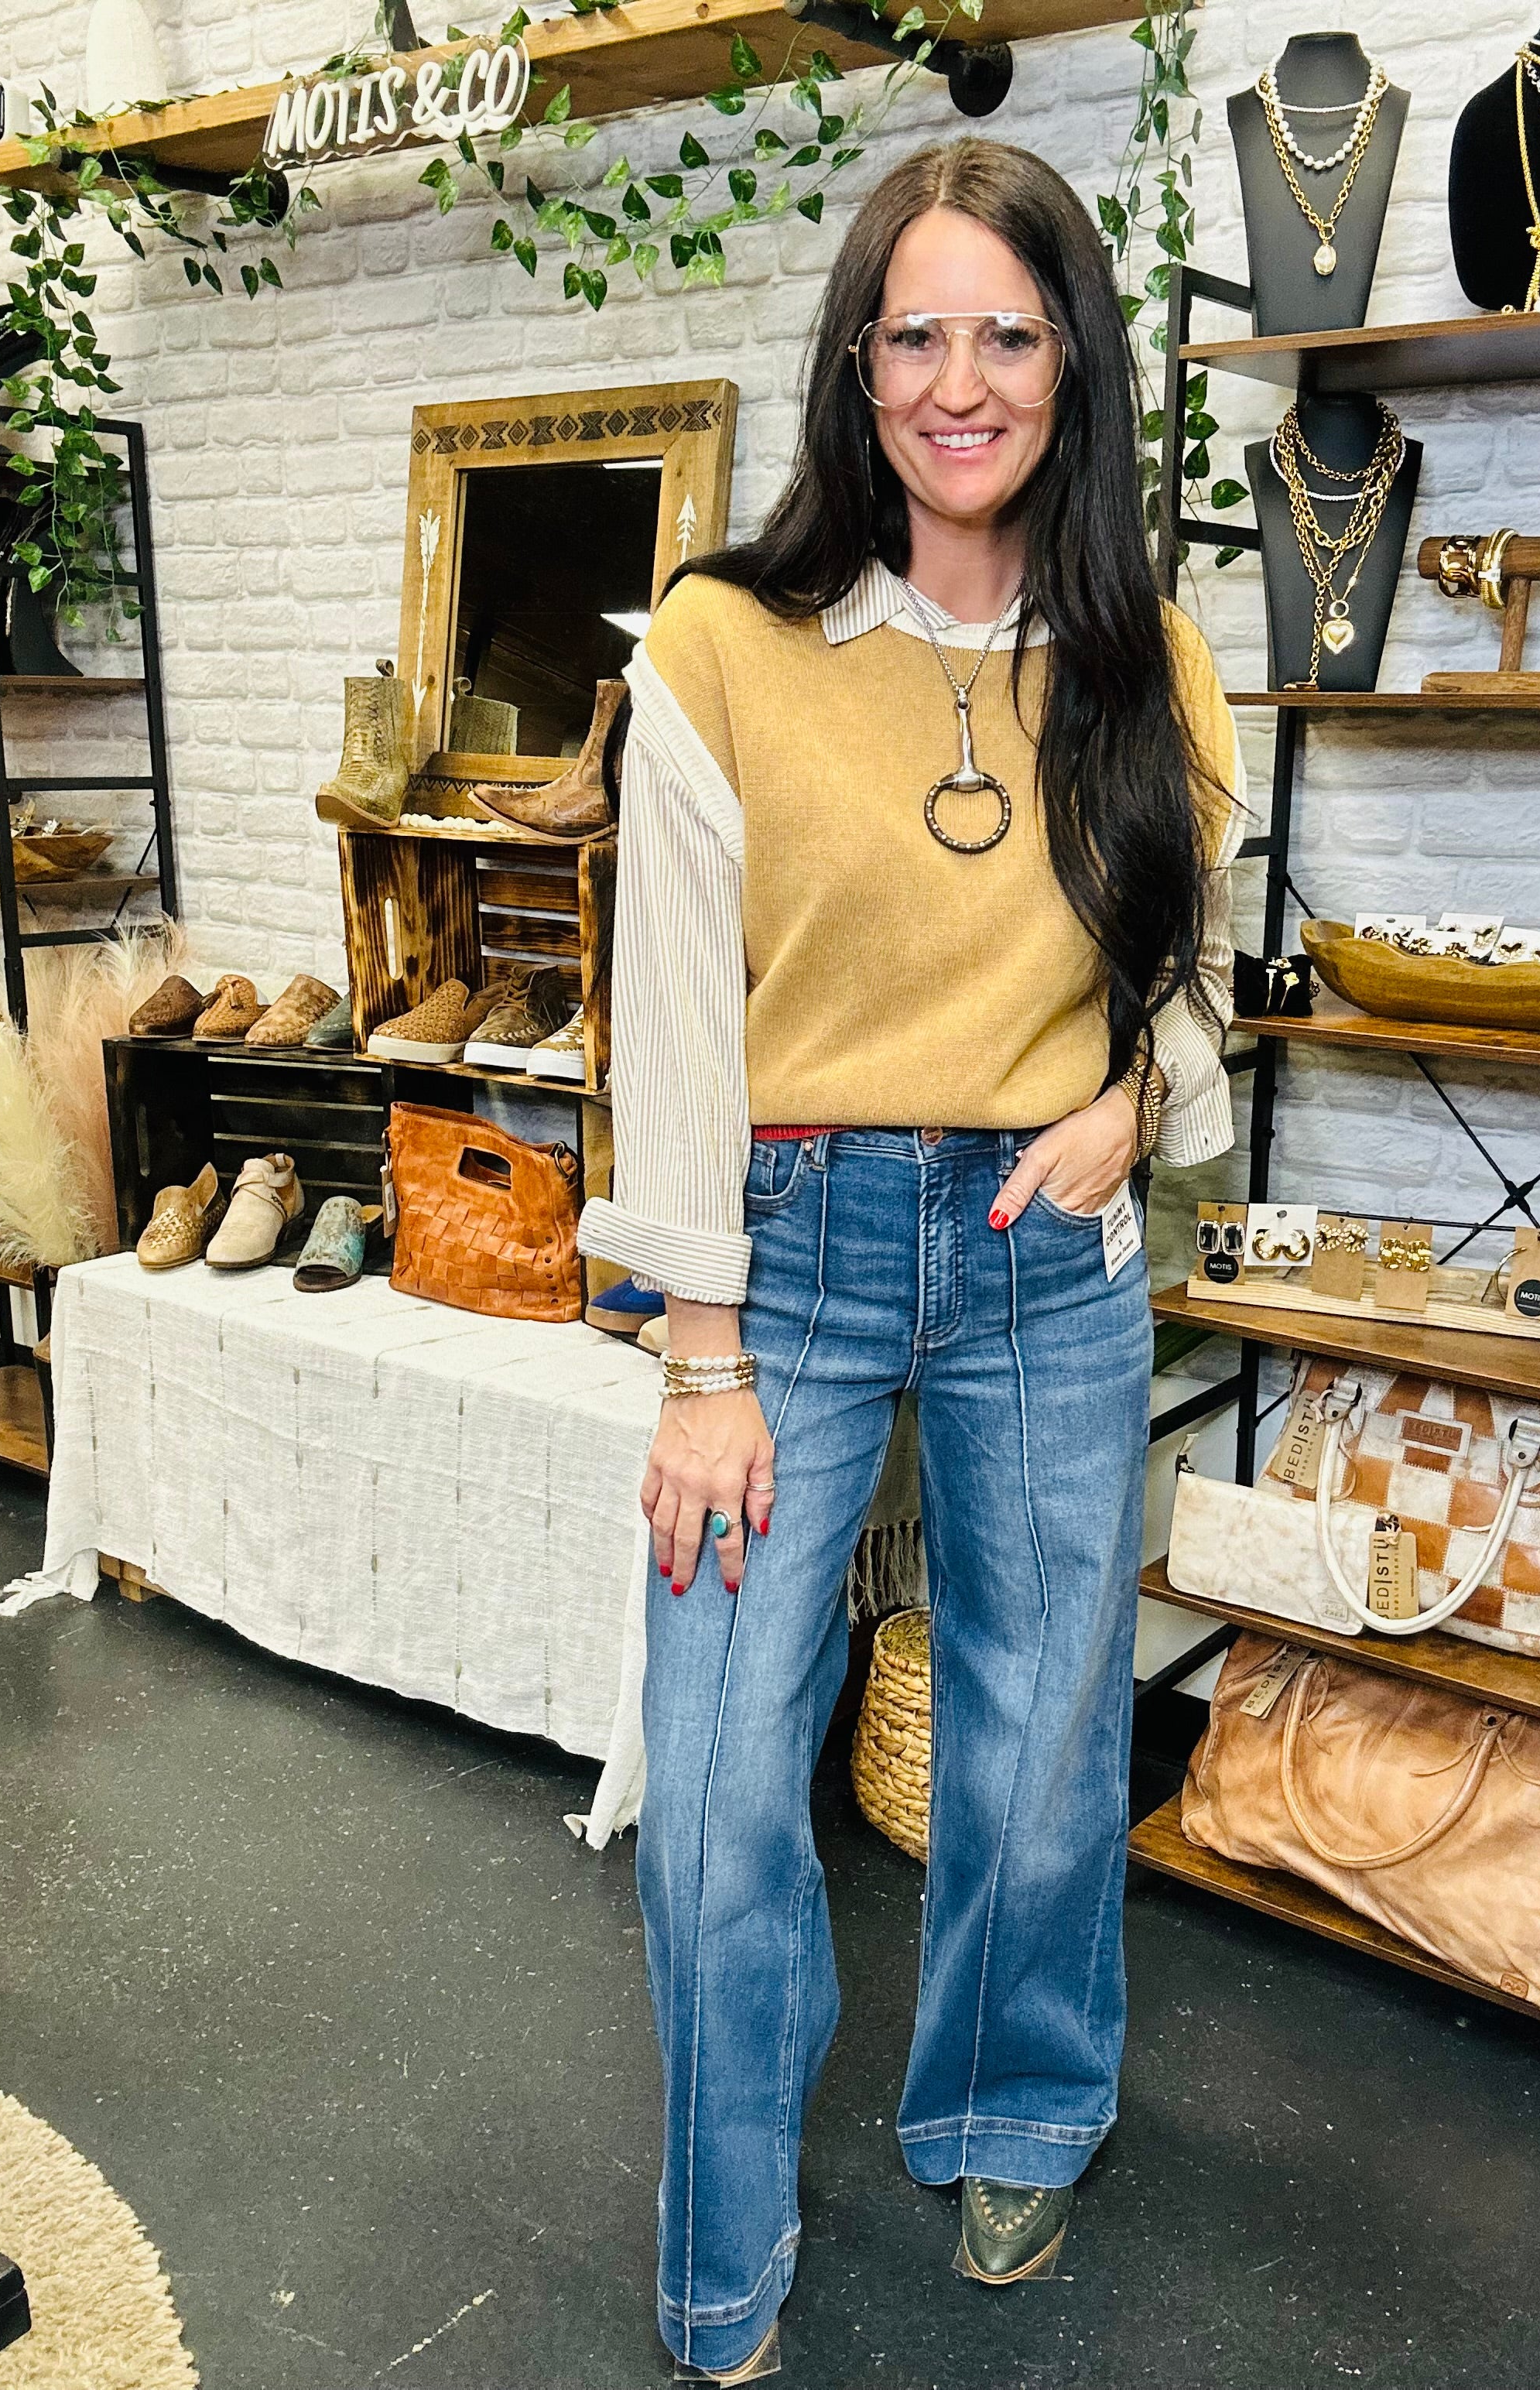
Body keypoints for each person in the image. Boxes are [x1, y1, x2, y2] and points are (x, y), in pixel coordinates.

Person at [578, 134, 1244, 2385]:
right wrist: (700, 1359)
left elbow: (1191, 974)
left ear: (1073, 363)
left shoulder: (1153, 658)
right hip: (780, 1252)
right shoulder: (722, 644)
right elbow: (671, 1013)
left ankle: (1012, 2108)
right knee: (711, 1787)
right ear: (858, 368)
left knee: (1038, 1746)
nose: (962, 382)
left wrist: (1133, 1100)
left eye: (1009, 334)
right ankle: (723, 2241)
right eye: (917, 334)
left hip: (1046, 1249)